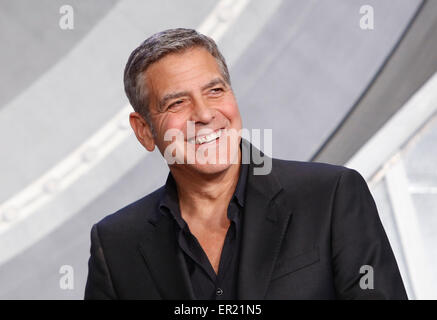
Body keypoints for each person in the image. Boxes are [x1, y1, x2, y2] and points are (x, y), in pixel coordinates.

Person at [84, 28, 407, 300]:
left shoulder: (331, 196)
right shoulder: (115, 244)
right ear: (144, 130)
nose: (205, 114)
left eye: (215, 91)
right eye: (177, 103)